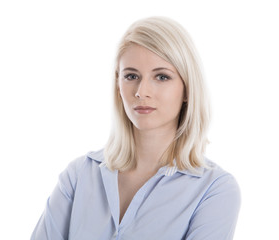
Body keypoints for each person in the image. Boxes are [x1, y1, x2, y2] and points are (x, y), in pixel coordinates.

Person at [31, 16, 241, 240]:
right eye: (131, 76)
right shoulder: (78, 176)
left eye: (161, 77)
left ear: (188, 89)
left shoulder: (214, 191)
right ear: (118, 84)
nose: (142, 91)